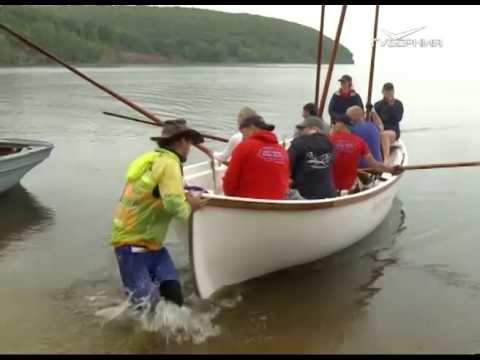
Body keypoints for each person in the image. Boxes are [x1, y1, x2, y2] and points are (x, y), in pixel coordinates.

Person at [110, 119, 208, 310]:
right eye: (190, 142)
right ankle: (143, 337)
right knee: (146, 306)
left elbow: (159, 192)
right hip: (132, 244)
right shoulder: (170, 163)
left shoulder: (153, 159)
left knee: (171, 295)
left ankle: (166, 331)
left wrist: (183, 194)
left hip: (149, 243)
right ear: (181, 141)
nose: (190, 148)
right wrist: (192, 207)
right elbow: (172, 204)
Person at [330, 114, 402, 193]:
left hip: (330, 188)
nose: (333, 126)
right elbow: (374, 164)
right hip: (349, 188)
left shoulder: (327, 139)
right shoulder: (359, 142)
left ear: (338, 125)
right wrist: (391, 170)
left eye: (334, 124)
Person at [223, 115, 290, 200]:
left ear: (251, 128)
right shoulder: (282, 150)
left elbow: (229, 186)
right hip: (277, 204)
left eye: (243, 133)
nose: (243, 138)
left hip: (248, 206)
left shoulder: (243, 147)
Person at [289, 116, 336, 200]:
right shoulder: (330, 144)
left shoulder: (298, 143)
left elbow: (287, 168)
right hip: (328, 194)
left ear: (314, 128)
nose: (300, 131)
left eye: (303, 128)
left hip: (304, 194)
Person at [374, 82, 404, 165]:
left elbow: (398, 118)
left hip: (393, 131)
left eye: (390, 92)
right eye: (386, 92)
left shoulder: (398, 104)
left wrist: (391, 107)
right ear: (383, 92)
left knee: (384, 135)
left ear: (393, 92)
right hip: (380, 129)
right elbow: (374, 119)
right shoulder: (377, 105)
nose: (388, 95)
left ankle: (386, 160)